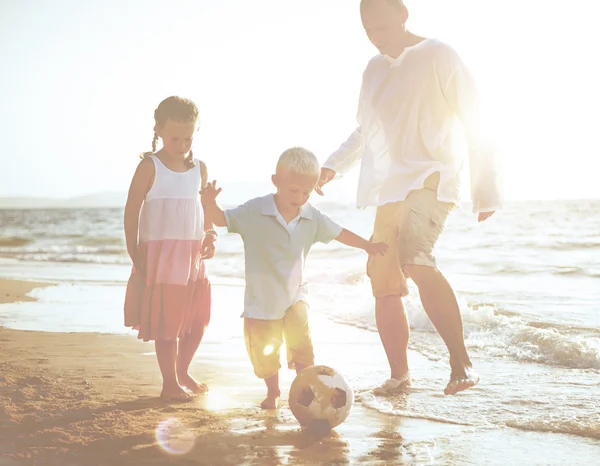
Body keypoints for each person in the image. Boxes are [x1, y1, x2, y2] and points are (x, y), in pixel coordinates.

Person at [316, 0, 503, 396]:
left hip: (433, 176)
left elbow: (476, 117)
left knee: (415, 257)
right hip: (391, 188)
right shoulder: (373, 69)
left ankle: (461, 363)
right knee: (383, 280)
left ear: (403, 14)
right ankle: (400, 377)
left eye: (382, 28)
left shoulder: (439, 54)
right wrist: (333, 165)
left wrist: (485, 190)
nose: (376, 38)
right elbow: (364, 130)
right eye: (368, 31)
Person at [201, 147, 388, 409]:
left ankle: (307, 392)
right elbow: (221, 220)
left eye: (306, 192)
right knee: (264, 354)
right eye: (293, 191)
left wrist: (367, 246)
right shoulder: (255, 210)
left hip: (295, 296)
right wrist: (209, 202)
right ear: (276, 181)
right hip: (260, 301)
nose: (300, 198)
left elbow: (339, 232)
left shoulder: (312, 216)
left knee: (303, 347)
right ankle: (273, 392)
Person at [123, 96, 216, 402]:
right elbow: (132, 209)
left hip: (192, 256)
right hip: (162, 257)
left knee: (198, 319)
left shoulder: (199, 168)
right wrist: (134, 249)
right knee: (168, 324)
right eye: (175, 137)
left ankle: (183, 370)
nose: (181, 144)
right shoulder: (150, 166)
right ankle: (170, 384)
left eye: (188, 137)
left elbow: (206, 209)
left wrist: (211, 233)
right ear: (159, 130)